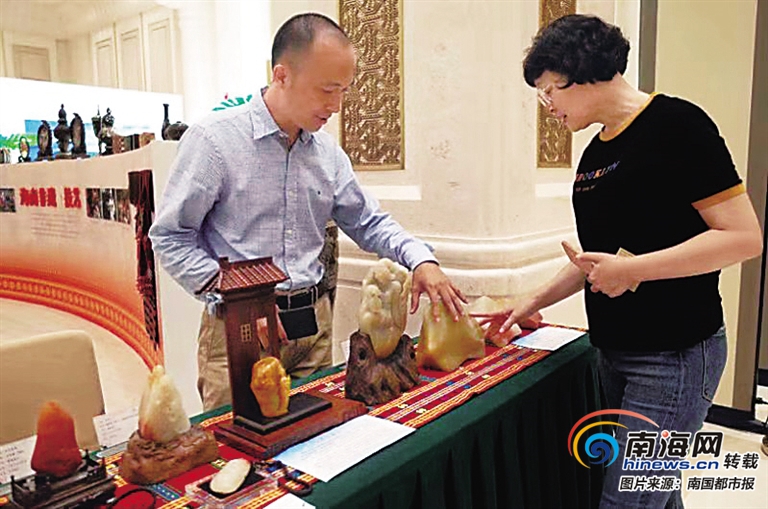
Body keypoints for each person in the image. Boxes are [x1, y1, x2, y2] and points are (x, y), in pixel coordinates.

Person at [475, 14, 763, 509]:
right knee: (654, 496)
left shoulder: (678, 126)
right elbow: (595, 258)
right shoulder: (594, 153)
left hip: (673, 354)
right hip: (614, 351)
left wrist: (633, 271)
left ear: (581, 71)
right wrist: (530, 302)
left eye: (549, 92)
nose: (548, 107)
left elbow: (743, 237)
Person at [149, 13, 466, 411]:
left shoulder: (327, 153)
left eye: (343, 91)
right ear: (281, 75)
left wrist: (420, 259)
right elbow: (170, 237)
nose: (336, 106)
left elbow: (368, 222)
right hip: (241, 332)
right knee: (240, 442)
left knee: (319, 438)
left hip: (313, 331)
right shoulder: (214, 141)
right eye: (327, 90)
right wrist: (239, 301)